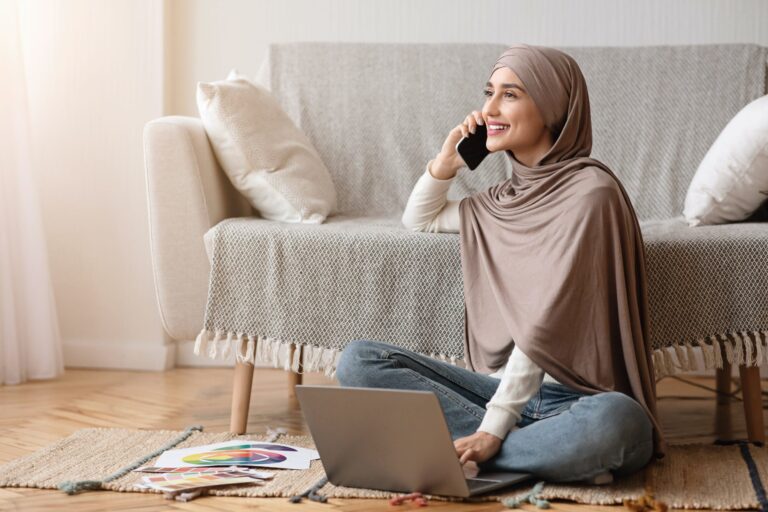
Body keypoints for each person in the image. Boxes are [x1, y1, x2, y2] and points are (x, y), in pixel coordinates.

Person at [334, 43, 667, 485]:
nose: (489, 108)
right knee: (360, 360)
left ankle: (469, 452)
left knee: (617, 424)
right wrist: (447, 161)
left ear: (551, 107)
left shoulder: (591, 195)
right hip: (495, 392)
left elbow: (544, 324)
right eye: (489, 92)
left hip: (579, 399)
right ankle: (540, 455)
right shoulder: (502, 201)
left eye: (510, 95)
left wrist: (494, 428)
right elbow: (421, 219)